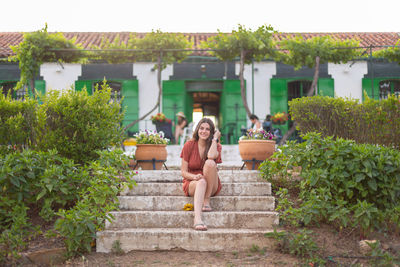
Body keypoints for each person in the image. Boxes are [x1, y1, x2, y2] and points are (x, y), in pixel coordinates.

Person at [180, 118, 222, 231]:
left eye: (208, 129)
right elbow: (183, 172)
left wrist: (215, 139)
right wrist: (194, 177)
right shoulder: (189, 145)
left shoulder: (216, 145)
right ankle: (197, 219)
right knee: (201, 182)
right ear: (197, 129)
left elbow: (212, 156)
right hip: (193, 181)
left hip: (211, 184)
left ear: (212, 132)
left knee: (209, 162)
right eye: (201, 128)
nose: (204, 131)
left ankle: (206, 200)